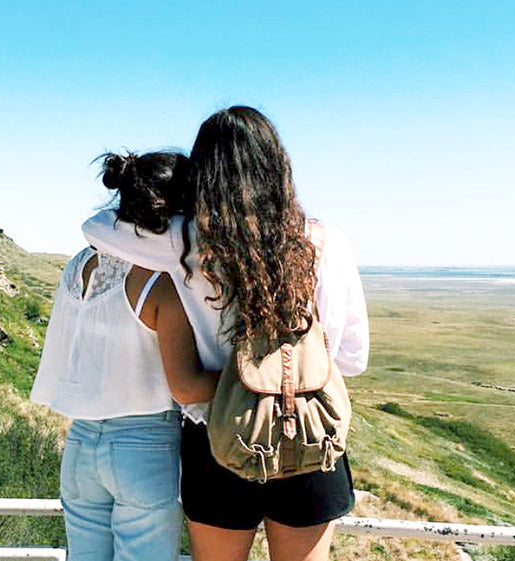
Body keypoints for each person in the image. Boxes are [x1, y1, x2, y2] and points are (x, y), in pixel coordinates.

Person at [83, 106, 369, 561]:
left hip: (217, 437)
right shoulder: (324, 242)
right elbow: (352, 358)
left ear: (204, 172)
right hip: (306, 432)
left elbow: (95, 228)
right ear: (278, 166)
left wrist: (179, 201)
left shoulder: (185, 241)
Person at [30, 151, 218, 561]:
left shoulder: (80, 265)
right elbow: (185, 387)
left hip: (80, 443)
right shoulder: (160, 284)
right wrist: (244, 379)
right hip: (144, 444)